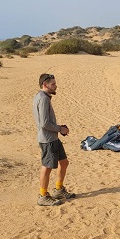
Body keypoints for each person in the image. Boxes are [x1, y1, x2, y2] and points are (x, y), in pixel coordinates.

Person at [32, 73, 76, 206]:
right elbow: (44, 123)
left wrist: (58, 128)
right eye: (53, 84)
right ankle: (43, 195)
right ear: (45, 85)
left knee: (64, 162)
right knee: (47, 167)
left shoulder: (42, 97)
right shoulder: (43, 99)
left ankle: (58, 189)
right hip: (47, 139)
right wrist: (60, 129)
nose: (55, 86)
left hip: (53, 138)